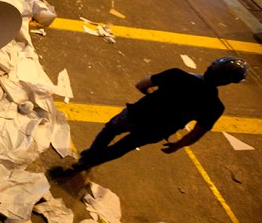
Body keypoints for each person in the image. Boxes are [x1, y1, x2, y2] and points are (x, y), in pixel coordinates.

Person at [74, 56, 249, 170]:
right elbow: (196, 134)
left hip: (137, 114)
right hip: (155, 131)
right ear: (228, 83)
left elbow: (141, 84)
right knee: (123, 147)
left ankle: (90, 155)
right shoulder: (215, 106)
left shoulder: (177, 75)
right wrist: (177, 145)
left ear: (211, 67)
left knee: (110, 129)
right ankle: (91, 161)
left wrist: (148, 93)